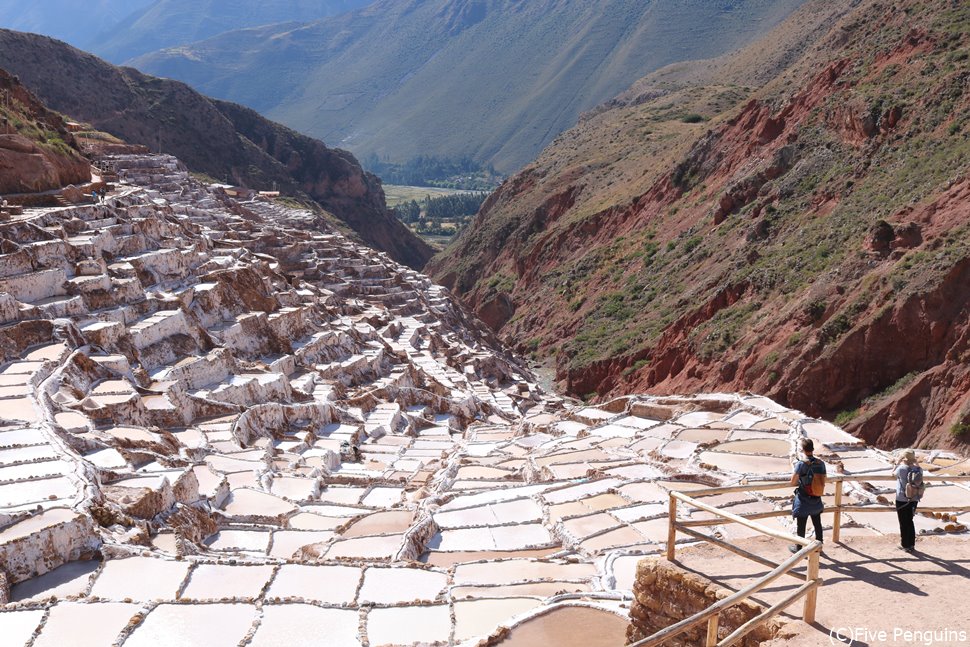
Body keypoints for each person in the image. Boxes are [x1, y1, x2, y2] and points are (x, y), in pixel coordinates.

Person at [789, 438, 826, 552]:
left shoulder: (801, 464)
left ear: (802, 449)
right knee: (817, 524)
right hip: (816, 497)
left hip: (804, 499)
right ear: (813, 449)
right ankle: (819, 547)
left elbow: (793, 482)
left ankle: (799, 548)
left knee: (802, 525)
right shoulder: (821, 463)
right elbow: (823, 479)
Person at [895, 449, 923, 552]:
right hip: (914, 499)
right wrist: (916, 462)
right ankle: (911, 544)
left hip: (902, 499)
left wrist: (897, 463)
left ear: (903, 458)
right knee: (910, 521)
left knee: (903, 522)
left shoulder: (901, 469)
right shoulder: (919, 470)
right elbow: (919, 469)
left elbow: (893, 474)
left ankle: (905, 545)